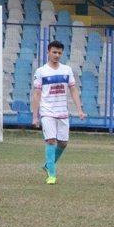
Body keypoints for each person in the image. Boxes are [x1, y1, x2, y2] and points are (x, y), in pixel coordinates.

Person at [31, 41, 86, 185]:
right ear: (48, 52)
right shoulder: (41, 71)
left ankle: (47, 165)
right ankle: (52, 175)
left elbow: (73, 90)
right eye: (54, 52)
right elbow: (36, 94)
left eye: (59, 53)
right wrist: (35, 116)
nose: (57, 55)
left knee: (63, 143)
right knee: (51, 140)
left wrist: (79, 109)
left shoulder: (67, 70)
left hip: (62, 112)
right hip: (47, 111)